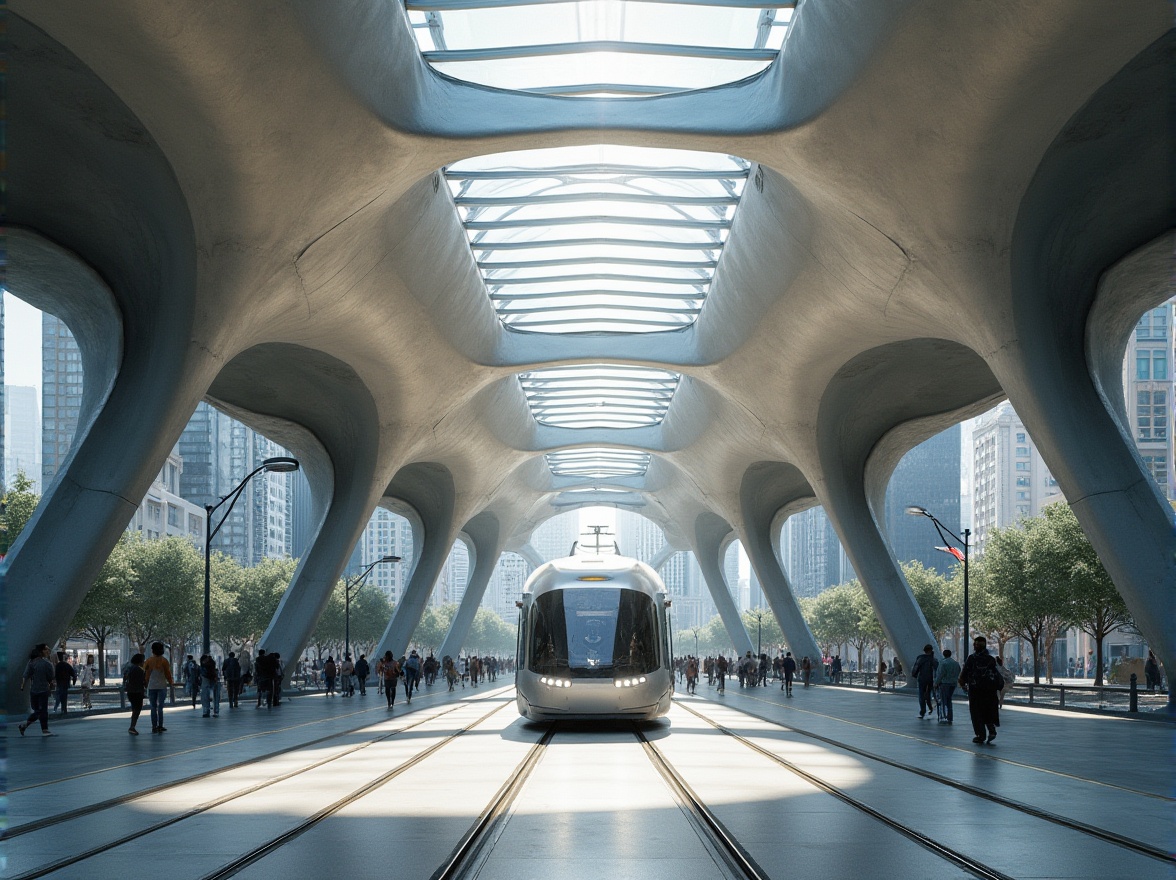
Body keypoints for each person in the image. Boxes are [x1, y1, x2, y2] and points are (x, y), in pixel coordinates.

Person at [960, 636, 1003, 744]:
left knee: (976, 713)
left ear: (976, 646)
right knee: (989, 711)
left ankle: (980, 735)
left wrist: (963, 684)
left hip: (976, 691)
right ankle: (992, 730)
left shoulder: (972, 658)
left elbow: (964, 673)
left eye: (975, 644)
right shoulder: (990, 659)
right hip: (990, 691)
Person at [19, 644, 57, 736]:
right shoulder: (47, 663)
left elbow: (25, 675)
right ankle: (45, 730)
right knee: (42, 711)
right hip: (43, 690)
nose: (48, 651)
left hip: (33, 690)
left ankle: (24, 726)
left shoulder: (31, 662)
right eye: (46, 649)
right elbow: (51, 677)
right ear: (42, 651)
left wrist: (22, 686)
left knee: (38, 711)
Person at [144, 641, 175, 734]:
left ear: (152, 650)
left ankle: (154, 726)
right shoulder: (164, 661)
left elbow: (146, 675)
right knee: (160, 707)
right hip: (162, 686)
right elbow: (167, 674)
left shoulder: (148, 661)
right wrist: (171, 683)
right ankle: (160, 726)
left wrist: (146, 683)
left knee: (153, 707)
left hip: (151, 686)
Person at [933, 648, 961, 725]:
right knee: (949, 700)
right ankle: (950, 717)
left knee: (943, 700)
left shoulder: (942, 663)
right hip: (953, 683)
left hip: (944, 683)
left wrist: (936, 683)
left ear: (943, 654)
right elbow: (959, 671)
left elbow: (940, 674)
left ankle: (943, 716)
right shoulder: (956, 663)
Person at [912, 644, 938, 719]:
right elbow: (937, 668)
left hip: (922, 678)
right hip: (930, 679)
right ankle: (930, 708)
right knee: (929, 694)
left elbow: (916, 667)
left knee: (921, 695)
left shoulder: (920, 658)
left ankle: (922, 711)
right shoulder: (933, 659)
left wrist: (914, 674)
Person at [124, 653, 147, 734]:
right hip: (137, 692)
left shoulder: (129, 668)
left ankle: (132, 725)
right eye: (143, 660)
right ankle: (132, 726)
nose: (144, 662)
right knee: (137, 709)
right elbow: (142, 682)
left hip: (130, 691)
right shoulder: (139, 670)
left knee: (134, 709)